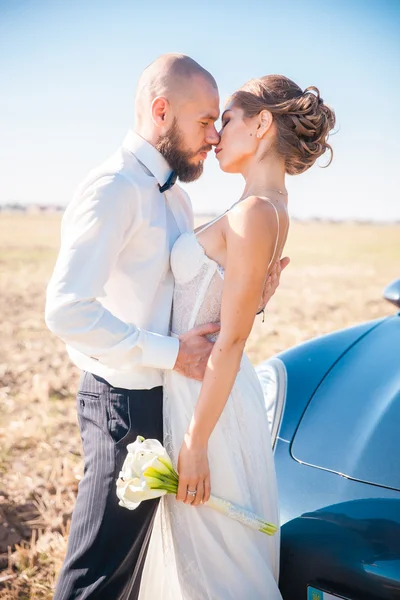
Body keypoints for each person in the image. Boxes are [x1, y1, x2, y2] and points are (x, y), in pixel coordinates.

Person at [45, 54, 287, 600]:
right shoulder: (114, 188)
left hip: (171, 403)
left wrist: (244, 300)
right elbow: (66, 309)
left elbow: (190, 295)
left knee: (143, 570)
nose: (213, 135)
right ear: (161, 111)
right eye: (205, 121)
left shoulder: (177, 196)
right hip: (122, 404)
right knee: (99, 573)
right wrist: (168, 353)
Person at [138, 74, 335, 599]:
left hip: (209, 406)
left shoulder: (256, 212)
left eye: (226, 119)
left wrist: (195, 444)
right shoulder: (265, 207)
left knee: (214, 569)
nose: (216, 134)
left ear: (262, 123)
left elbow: (231, 341)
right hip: (206, 392)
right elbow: (231, 314)